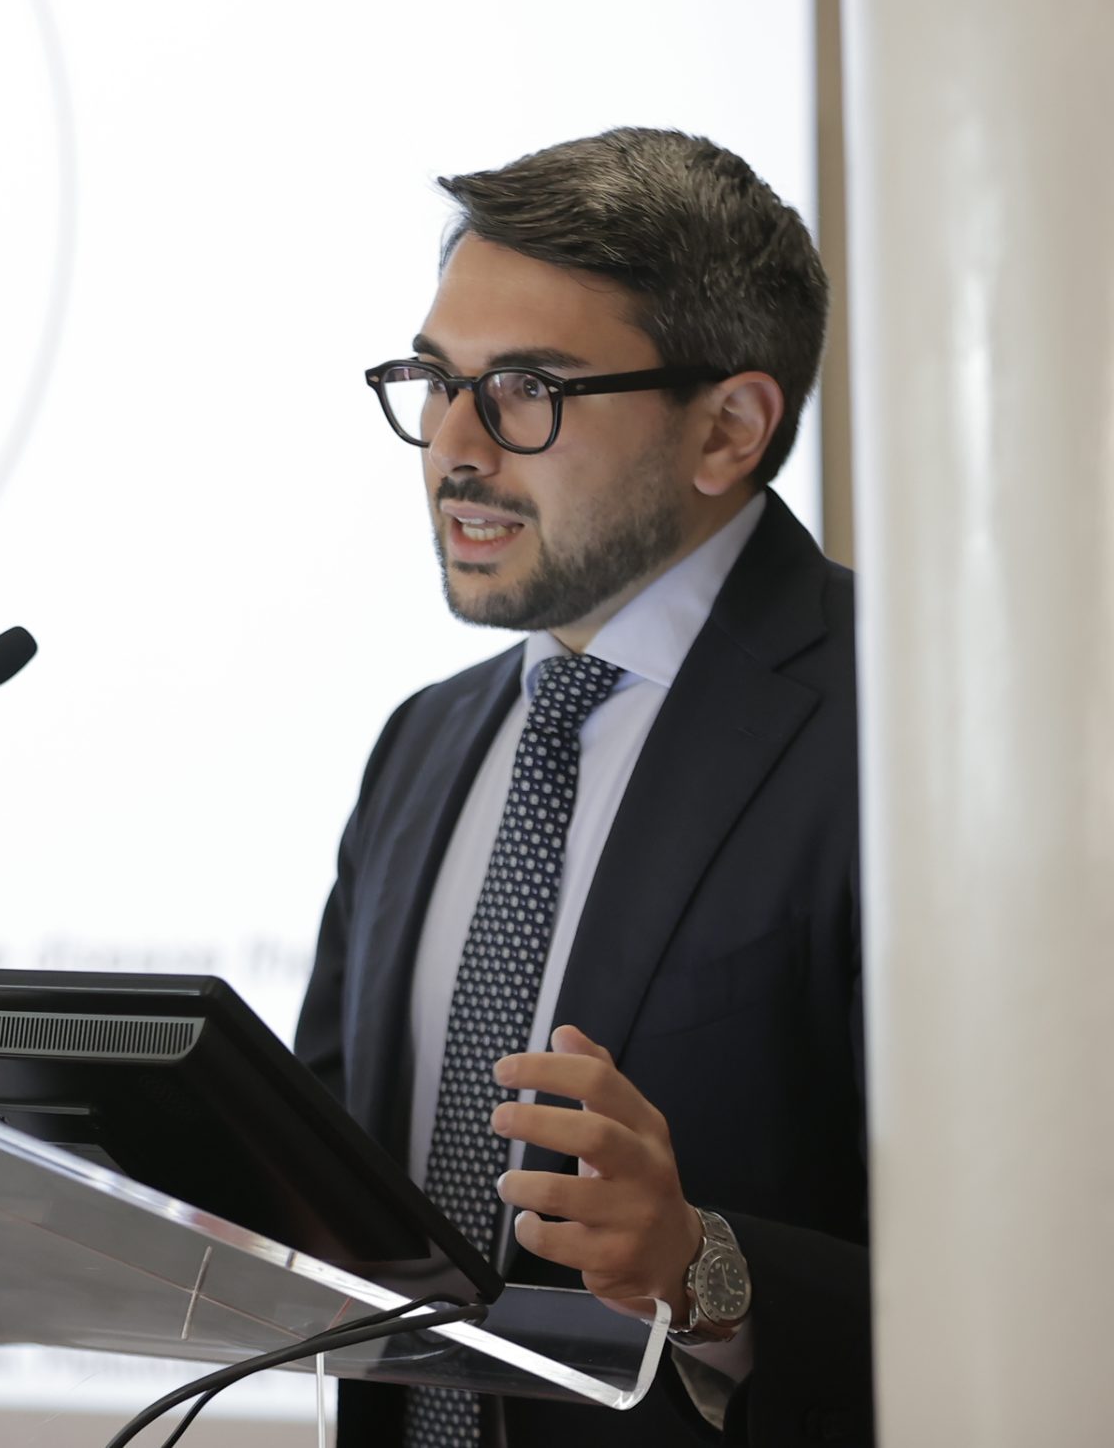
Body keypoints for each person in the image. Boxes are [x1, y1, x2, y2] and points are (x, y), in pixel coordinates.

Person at [293, 129, 869, 1446]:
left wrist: (706, 1270)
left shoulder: (907, 735)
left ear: (728, 428)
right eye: (435, 382)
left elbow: (1041, 1262)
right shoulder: (425, 742)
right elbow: (313, 1183)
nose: (454, 446)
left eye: (526, 389)